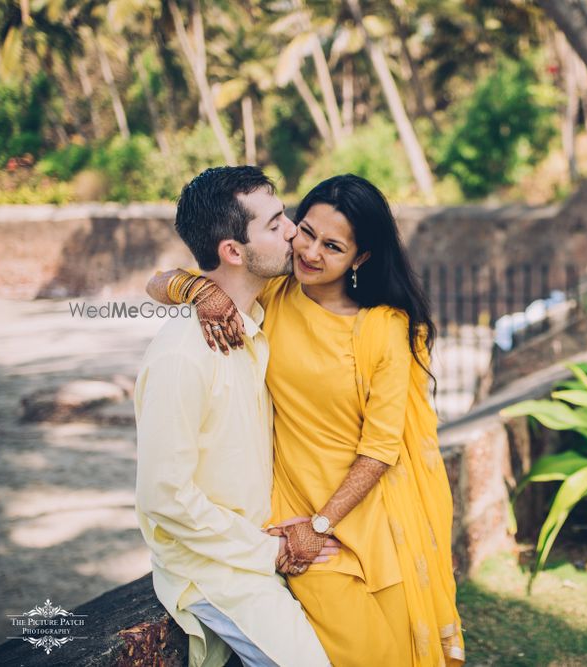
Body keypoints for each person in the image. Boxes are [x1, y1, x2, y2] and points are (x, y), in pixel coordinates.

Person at [148, 174, 464, 666]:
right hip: (295, 517)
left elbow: (381, 448)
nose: (309, 249)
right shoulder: (275, 296)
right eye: (304, 231)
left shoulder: (385, 328)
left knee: (396, 652)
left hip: (363, 517)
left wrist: (322, 523)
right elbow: (164, 280)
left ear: (360, 258)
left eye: (332, 245)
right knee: (363, 652)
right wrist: (196, 290)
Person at [135, 166, 337, 667]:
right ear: (232, 251)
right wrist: (266, 552)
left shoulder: (251, 318)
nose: (293, 231)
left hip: (259, 543)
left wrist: (194, 287)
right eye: (275, 224)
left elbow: (159, 282)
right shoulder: (183, 355)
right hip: (215, 567)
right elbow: (163, 496)